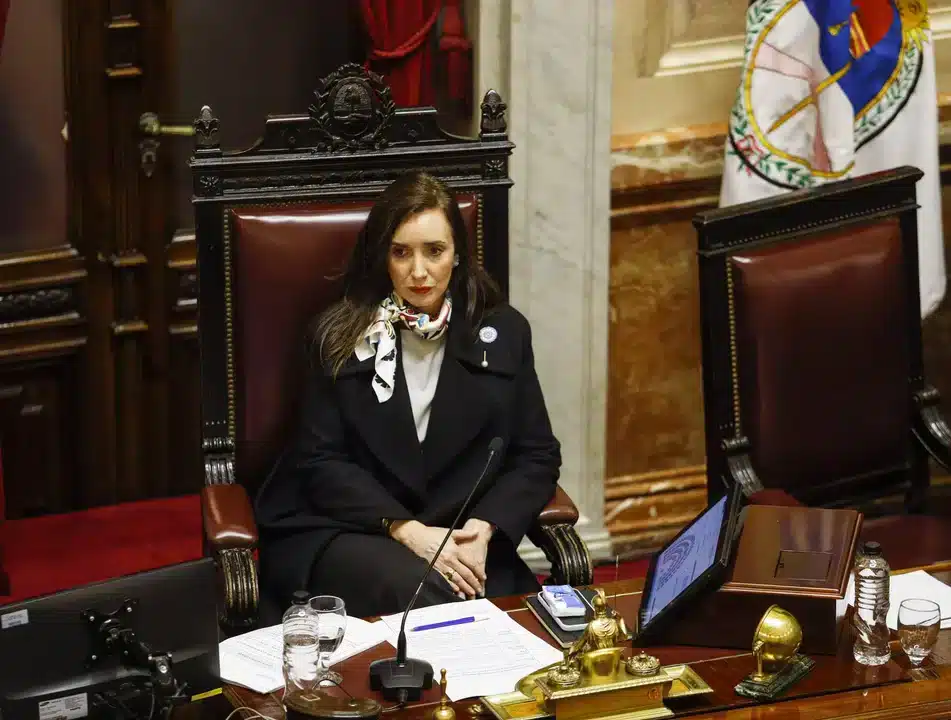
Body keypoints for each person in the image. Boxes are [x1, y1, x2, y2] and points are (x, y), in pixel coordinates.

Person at [255, 171, 562, 618]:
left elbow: (536, 455)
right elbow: (319, 463)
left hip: (458, 535)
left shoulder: (504, 333)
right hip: (351, 529)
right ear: (383, 256)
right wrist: (408, 530)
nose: (419, 272)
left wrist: (484, 528)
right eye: (401, 252)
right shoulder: (338, 336)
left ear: (457, 253)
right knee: (436, 597)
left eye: (434, 251)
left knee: (530, 618)